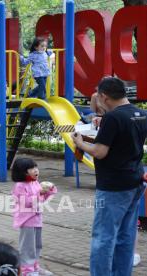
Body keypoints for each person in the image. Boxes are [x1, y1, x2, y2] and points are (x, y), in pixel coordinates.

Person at [71, 77, 147, 276]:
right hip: (135, 180)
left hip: (113, 185)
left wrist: (80, 143)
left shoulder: (114, 118)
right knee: (126, 234)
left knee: (103, 237)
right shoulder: (141, 113)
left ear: (104, 96)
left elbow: (99, 151)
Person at [11, 158, 57, 276]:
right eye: (32, 168)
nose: (36, 170)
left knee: (37, 245)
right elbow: (25, 202)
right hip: (26, 220)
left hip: (37, 219)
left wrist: (48, 191)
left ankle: (34, 266)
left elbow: (41, 200)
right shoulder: (20, 186)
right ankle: (26, 270)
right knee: (27, 246)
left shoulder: (35, 182)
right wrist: (39, 193)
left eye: (36, 167)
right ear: (23, 172)